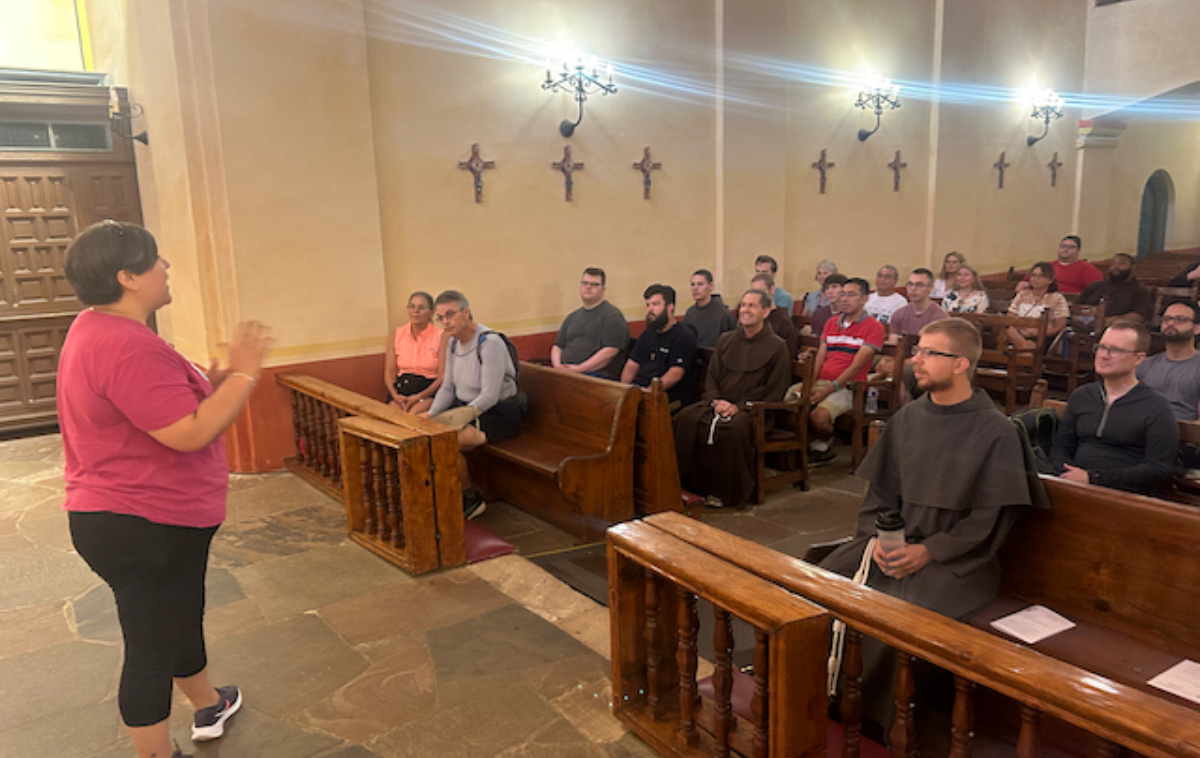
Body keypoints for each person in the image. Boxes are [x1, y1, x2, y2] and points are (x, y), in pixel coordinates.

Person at [58, 221, 271, 758]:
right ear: (127, 276)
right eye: (155, 260)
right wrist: (245, 375)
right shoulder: (126, 345)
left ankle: (208, 702)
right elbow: (189, 432)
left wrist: (214, 388)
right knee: (150, 644)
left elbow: (158, 409)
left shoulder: (96, 326)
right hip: (142, 520)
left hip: (141, 515)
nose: (166, 266)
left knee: (179, 612)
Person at [820, 318, 1045, 724]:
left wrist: (929, 550)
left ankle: (869, 723)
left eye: (928, 353)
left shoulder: (996, 431)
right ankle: (820, 692)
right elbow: (882, 495)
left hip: (959, 563)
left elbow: (989, 520)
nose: (915, 360)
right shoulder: (908, 419)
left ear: (960, 364)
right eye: (917, 350)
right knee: (817, 581)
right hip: (891, 548)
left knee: (897, 619)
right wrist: (883, 540)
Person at [674, 288, 792, 508]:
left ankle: (727, 492)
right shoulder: (726, 340)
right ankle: (690, 486)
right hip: (718, 404)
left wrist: (739, 407)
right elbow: (712, 376)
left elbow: (775, 389)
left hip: (754, 411)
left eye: (752, 306)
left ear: (765, 312)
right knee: (686, 418)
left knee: (732, 429)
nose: (745, 310)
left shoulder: (777, 346)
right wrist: (716, 400)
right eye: (743, 305)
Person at [425, 290, 523, 519]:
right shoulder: (451, 344)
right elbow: (447, 387)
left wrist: (454, 420)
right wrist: (432, 416)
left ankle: (470, 498)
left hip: (499, 411)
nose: (445, 322)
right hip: (466, 407)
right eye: (440, 317)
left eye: (450, 314)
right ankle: (447, 493)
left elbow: (489, 395)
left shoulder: (489, 343)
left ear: (465, 312)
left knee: (445, 443)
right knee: (424, 429)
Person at [1051, 322, 1178, 495]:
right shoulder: (1082, 396)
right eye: (1102, 347)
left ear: (1138, 358)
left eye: (1115, 350)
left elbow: (1157, 468)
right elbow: (1061, 446)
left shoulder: (1156, 406)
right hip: (1073, 485)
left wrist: (1093, 478)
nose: (1104, 355)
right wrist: (1067, 473)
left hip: (1125, 495)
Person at [808, 278, 885, 464]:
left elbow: (856, 366)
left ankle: (825, 442)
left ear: (865, 298)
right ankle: (805, 450)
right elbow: (820, 357)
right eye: (843, 294)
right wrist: (808, 385)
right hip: (822, 381)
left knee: (818, 417)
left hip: (849, 387)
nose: (845, 299)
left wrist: (826, 391)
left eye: (851, 295)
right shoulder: (831, 322)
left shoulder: (874, 327)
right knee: (788, 405)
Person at [621, 283, 698, 408]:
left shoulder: (683, 336)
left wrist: (649, 393)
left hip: (667, 395)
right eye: (648, 305)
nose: (650, 310)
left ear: (670, 307)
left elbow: (675, 374)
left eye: (655, 304)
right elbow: (631, 365)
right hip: (642, 390)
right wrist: (623, 390)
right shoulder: (647, 335)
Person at [551, 267, 629, 379]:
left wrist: (579, 369)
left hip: (596, 375)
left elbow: (610, 352)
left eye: (594, 284)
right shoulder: (572, 316)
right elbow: (558, 346)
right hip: (566, 372)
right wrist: (558, 367)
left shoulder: (612, 316)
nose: (588, 287)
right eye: (585, 283)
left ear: (603, 289)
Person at [384, 291, 450, 414]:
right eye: (412, 306)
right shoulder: (397, 334)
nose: (416, 311)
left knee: (413, 416)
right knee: (393, 416)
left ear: (431, 312)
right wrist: (395, 395)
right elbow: (389, 372)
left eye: (421, 308)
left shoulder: (441, 336)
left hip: (428, 390)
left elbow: (442, 377)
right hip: (401, 389)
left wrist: (419, 397)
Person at [876, 268, 948, 375]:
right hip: (902, 357)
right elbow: (893, 345)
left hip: (928, 360)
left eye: (919, 285)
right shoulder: (899, 314)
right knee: (872, 361)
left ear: (930, 288)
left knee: (906, 372)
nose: (913, 289)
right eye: (910, 284)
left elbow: (931, 354)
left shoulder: (939, 317)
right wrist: (886, 360)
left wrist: (898, 364)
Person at [1137, 301, 1200, 422]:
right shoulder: (1144, 365)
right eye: (1166, 319)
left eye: (1180, 319)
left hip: (1185, 436)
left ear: (1197, 328)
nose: (1171, 323)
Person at [1007, 261, 1069, 350]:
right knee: (1011, 331)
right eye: (1033, 275)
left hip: (1043, 336)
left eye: (1041, 276)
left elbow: (1060, 326)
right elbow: (1010, 317)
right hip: (1018, 333)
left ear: (1050, 279)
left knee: (1029, 344)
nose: (1035, 279)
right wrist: (1022, 330)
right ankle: (1027, 356)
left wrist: (1039, 333)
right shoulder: (1022, 295)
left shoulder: (1057, 298)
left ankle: (1025, 354)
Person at [1077, 253, 1153, 324]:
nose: (1116, 266)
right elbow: (1077, 306)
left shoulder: (1140, 291)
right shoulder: (1096, 286)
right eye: (1113, 264)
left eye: (1122, 264)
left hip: (1118, 328)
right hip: (1086, 325)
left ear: (1133, 267)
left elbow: (1140, 315)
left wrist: (1112, 321)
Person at [1017, 235, 1102, 295]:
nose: (1065, 249)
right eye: (1063, 246)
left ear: (1078, 250)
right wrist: (1024, 285)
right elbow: (1024, 283)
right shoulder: (1046, 267)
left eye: (1071, 247)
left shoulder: (1088, 269)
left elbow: (1095, 293)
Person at [684, 268, 736, 349]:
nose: (695, 288)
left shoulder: (723, 314)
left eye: (700, 284)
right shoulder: (690, 313)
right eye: (692, 284)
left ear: (711, 286)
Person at [749, 272, 799, 357]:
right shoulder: (751, 318)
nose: (757, 297)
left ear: (772, 290)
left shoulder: (783, 322)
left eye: (761, 292)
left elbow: (787, 356)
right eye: (754, 293)